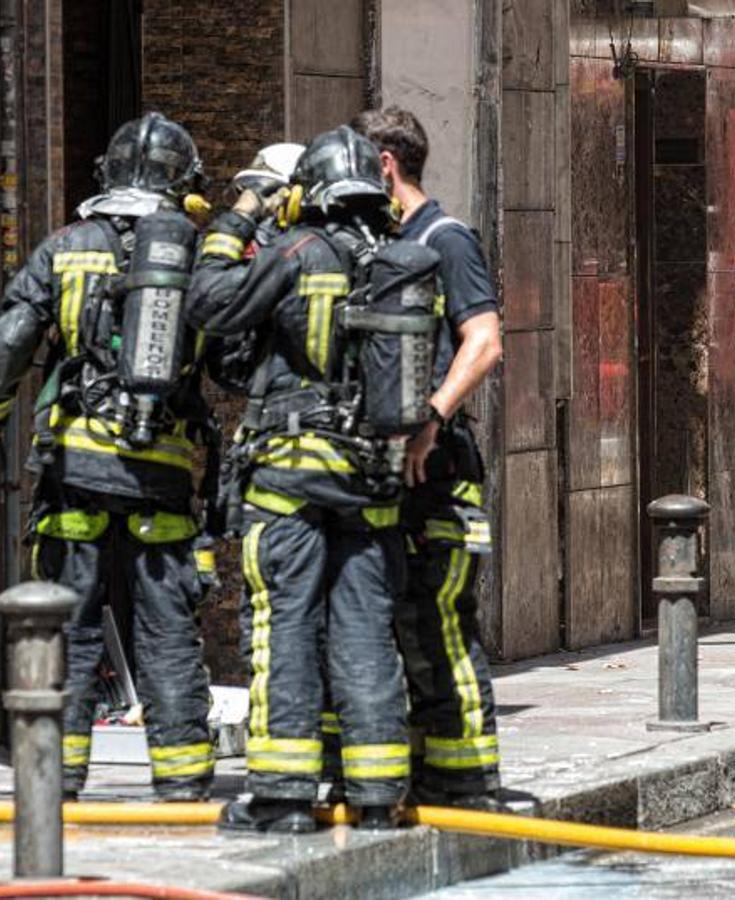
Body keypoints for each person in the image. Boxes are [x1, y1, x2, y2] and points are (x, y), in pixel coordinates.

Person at [0, 112, 216, 801]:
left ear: (107, 174)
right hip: (159, 480)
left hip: (74, 476)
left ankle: (57, 779)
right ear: (183, 183)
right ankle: (184, 781)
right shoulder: (196, 251)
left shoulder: (65, 246)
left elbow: (8, 344)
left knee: (67, 630)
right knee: (165, 631)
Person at [190, 126, 421, 832]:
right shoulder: (403, 265)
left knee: (284, 629)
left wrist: (240, 217)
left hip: (288, 484)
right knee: (364, 634)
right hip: (373, 485)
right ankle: (377, 795)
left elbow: (209, 305)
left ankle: (284, 799)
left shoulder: (298, 252)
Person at [351, 107, 505, 808]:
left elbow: (484, 342)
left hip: (438, 474)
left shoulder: (446, 240)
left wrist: (431, 421)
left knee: (439, 627)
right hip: (388, 479)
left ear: (385, 163)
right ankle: (419, 778)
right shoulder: (377, 242)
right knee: (391, 629)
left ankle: (468, 783)